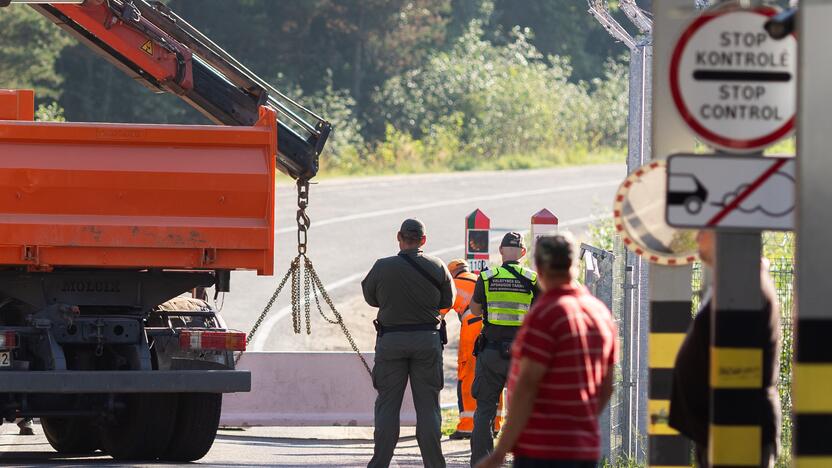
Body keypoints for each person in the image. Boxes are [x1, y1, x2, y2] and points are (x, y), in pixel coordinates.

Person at [476, 233, 618, 468]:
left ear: (540, 268)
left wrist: (500, 453)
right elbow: (606, 386)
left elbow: (527, 387)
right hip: (584, 446)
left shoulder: (546, 314)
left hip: (541, 448)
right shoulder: (600, 313)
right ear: (573, 265)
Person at [669, 230, 781, 467]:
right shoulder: (733, 281)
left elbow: (737, 368)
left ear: (726, 235)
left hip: (737, 430)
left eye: (704, 232)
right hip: (719, 428)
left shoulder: (744, 285)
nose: (697, 238)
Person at [362, 218, 455, 468]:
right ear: (423, 240)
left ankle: (380, 463)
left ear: (398, 237)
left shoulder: (382, 267)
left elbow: (371, 298)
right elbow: (448, 300)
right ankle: (435, 464)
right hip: (428, 341)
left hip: (391, 340)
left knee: (387, 408)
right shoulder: (438, 266)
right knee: (428, 408)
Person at [469, 232, 540, 466]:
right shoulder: (532, 278)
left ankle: (482, 461)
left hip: (490, 353)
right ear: (523, 252)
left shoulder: (487, 277)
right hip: (523, 355)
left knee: (485, 411)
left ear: (500, 250)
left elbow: (476, 311)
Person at [441, 259, 502, 441]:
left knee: (467, 373)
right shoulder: (479, 280)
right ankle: (496, 423)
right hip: (493, 328)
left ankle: (468, 425)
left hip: (472, 328)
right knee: (494, 375)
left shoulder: (453, 284)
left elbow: (439, 313)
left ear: (451, 273)